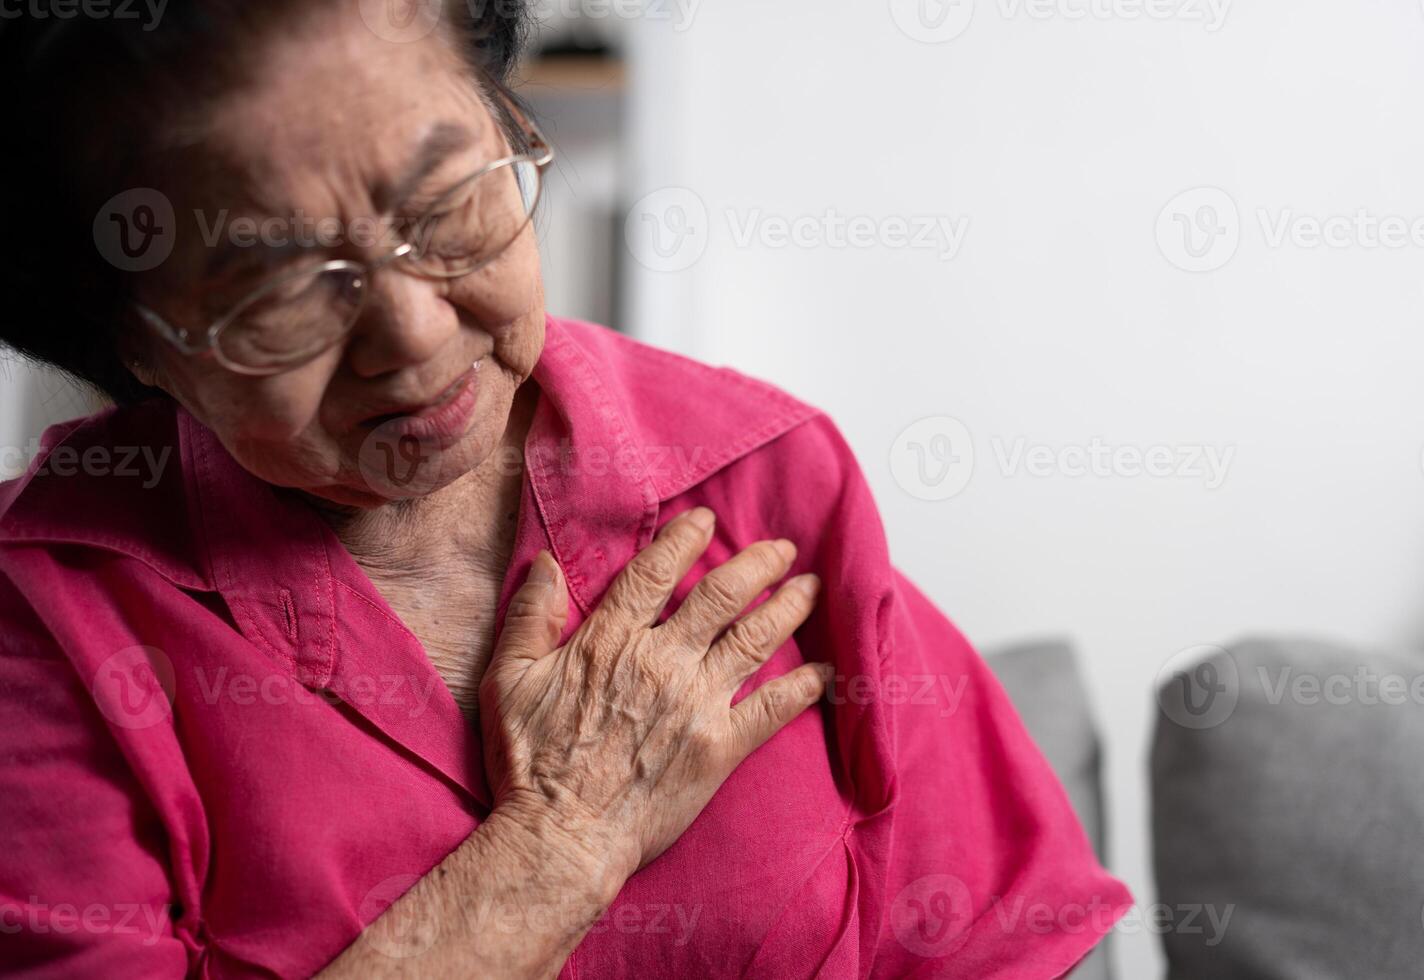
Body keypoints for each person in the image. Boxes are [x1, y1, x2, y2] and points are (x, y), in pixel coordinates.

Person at [0, 2, 1130, 975]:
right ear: (135, 346)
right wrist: (561, 841)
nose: (415, 332)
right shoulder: (48, 625)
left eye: (445, 208)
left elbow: (1007, 937)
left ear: (513, 125)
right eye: (284, 294)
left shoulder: (753, 471)